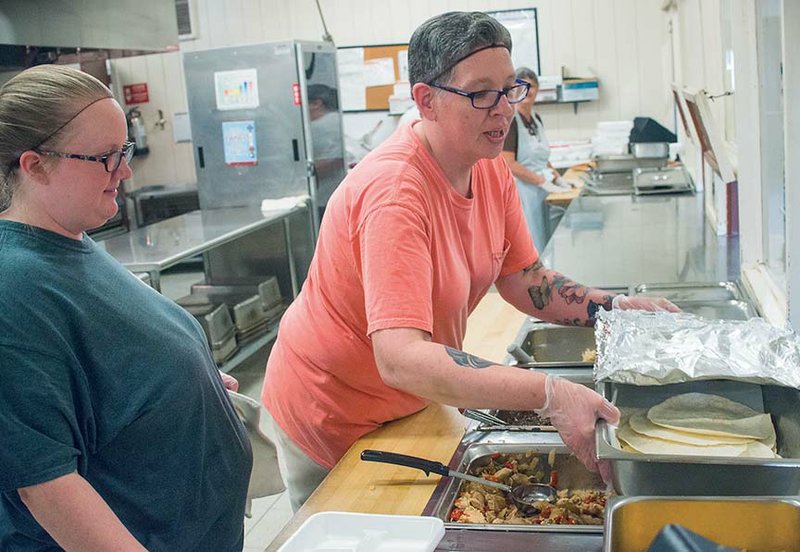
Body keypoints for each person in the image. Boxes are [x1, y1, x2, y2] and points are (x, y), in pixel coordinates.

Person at [261, 11, 677, 512]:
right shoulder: (395, 193)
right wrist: (550, 393)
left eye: (510, 87)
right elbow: (400, 358)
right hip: (333, 408)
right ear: (426, 100)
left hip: (408, 399)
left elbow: (526, 279)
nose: (502, 110)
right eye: (481, 93)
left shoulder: (489, 167)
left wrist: (616, 309)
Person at [0, 65, 252, 551]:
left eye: (124, 151)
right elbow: (47, 485)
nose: (126, 170)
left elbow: (97, 372)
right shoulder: (14, 285)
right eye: (106, 157)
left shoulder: (72, 240)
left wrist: (185, 383)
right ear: (35, 165)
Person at [502, 67, 570, 252]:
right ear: (513, 89)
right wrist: (542, 182)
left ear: (538, 89)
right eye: (522, 86)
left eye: (531, 86)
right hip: (524, 192)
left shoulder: (536, 119)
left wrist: (557, 178)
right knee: (532, 242)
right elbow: (509, 163)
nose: (527, 91)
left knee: (546, 242)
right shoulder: (511, 120)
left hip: (541, 191)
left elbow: (541, 157)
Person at [306, 83, 347, 219]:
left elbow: (335, 159)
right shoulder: (337, 119)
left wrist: (302, 174)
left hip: (327, 195)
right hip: (333, 195)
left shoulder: (324, 125)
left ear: (317, 103)